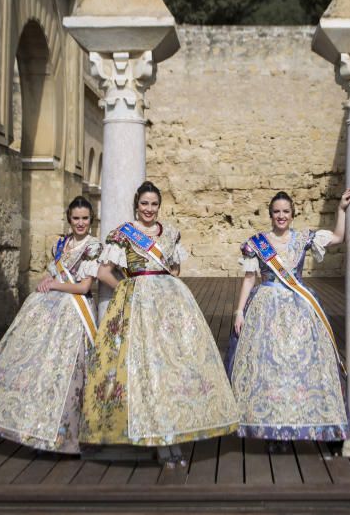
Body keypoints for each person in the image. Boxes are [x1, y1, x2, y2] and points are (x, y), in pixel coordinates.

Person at [81, 181, 238, 467]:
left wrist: (164, 283)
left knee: (174, 367)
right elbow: (104, 272)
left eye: (154, 204)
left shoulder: (170, 234)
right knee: (144, 369)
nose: (149, 209)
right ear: (136, 205)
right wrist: (127, 288)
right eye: (144, 204)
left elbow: (175, 268)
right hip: (138, 307)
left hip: (171, 308)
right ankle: (155, 438)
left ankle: (174, 434)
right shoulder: (123, 235)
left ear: (159, 206)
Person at [227, 189, 350, 450]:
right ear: (270, 214)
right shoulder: (257, 242)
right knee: (269, 369)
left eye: (286, 211)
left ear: (292, 214)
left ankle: (311, 424)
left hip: (300, 310)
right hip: (266, 308)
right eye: (277, 212)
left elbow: (339, 237)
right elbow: (249, 278)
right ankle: (273, 431)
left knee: (304, 367)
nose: (281, 216)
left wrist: (340, 210)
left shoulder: (304, 238)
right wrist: (239, 311)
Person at [0, 196, 101, 453]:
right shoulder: (61, 244)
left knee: (71, 370)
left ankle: (71, 437)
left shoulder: (93, 247)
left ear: (91, 220)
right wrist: (46, 280)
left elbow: (84, 286)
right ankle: (37, 425)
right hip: (50, 309)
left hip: (76, 312)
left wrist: (53, 284)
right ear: (69, 218)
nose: (80, 223)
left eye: (85, 218)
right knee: (40, 366)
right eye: (76, 218)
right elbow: (53, 272)